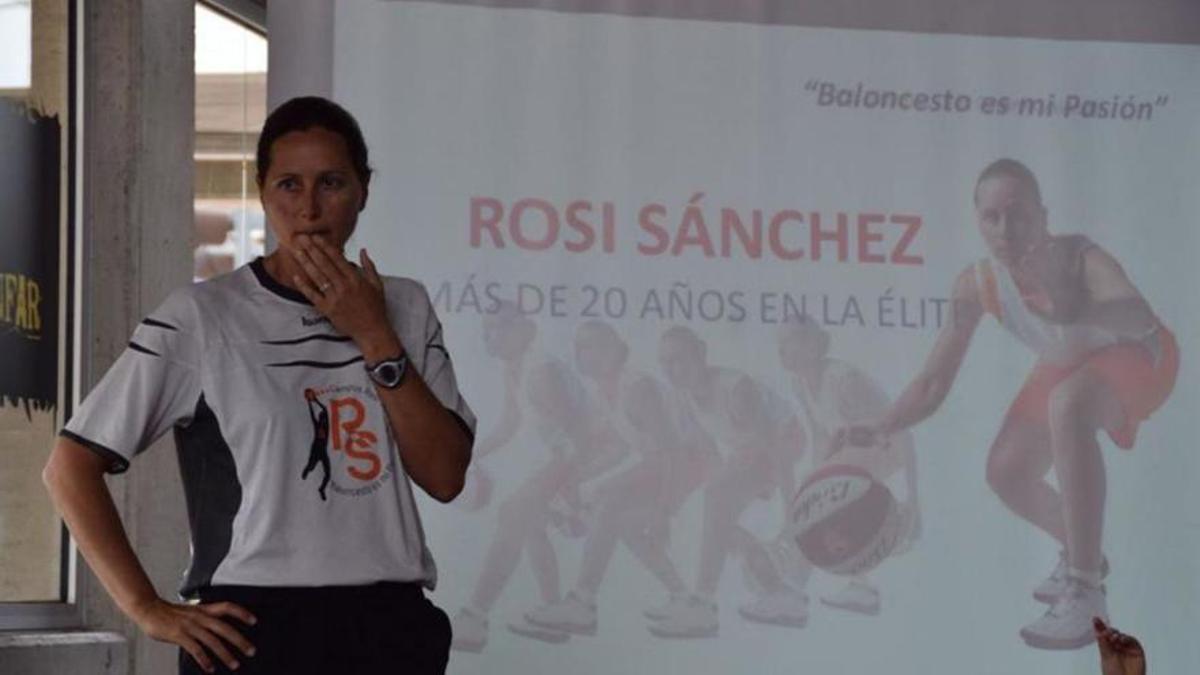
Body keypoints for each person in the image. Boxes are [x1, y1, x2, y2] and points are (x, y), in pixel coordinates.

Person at [42, 96, 476, 675]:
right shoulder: (204, 317)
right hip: (252, 632)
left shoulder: (405, 305)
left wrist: (375, 335)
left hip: (389, 625)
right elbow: (68, 466)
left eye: (332, 182)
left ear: (364, 191)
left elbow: (445, 476)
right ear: (263, 192)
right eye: (289, 185)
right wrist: (146, 608)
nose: (311, 208)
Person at [844, 158, 1178, 650]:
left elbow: (1138, 313)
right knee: (1006, 470)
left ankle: (1086, 590)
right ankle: (1080, 546)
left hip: (1142, 355)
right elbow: (934, 382)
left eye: (1019, 214)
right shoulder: (976, 285)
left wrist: (1079, 306)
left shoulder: (1080, 256)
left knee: (1067, 403)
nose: (1006, 229)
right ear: (978, 221)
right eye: (992, 217)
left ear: (1043, 216)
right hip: (1070, 361)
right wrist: (882, 425)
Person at [518, 321, 713, 639]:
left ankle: (582, 602)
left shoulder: (636, 387)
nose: (586, 355)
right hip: (669, 462)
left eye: (596, 346)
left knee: (609, 503)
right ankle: (682, 597)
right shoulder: (604, 393)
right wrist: (576, 483)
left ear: (618, 349)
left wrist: (663, 512)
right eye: (581, 348)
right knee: (621, 520)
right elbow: (619, 449)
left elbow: (671, 451)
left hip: (689, 462)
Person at [737, 317, 921, 626]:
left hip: (886, 449)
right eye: (780, 345)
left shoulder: (844, 380)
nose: (783, 351)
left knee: (819, 505)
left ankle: (792, 595)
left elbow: (903, 432)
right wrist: (805, 489)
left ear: (814, 344)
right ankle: (862, 588)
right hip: (852, 453)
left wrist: (914, 499)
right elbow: (821, 435)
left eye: (791, 341)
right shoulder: (800, 383)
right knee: (816, 502)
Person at [646, 326, 806, 639]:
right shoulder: (683, 396)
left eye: (679, 360)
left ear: (701, 353)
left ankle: (703, 605)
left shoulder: (736, 390)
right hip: (747, 449)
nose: (671, 370)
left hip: (784, 441)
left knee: (716, 499)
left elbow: (776, 448)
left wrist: (791, 510)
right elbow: (710, 454)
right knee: (712, 516)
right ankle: (781, 594)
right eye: (665, 362)